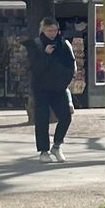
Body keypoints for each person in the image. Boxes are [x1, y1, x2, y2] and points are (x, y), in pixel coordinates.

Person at [28, 16, 77, 162]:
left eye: (55, 30)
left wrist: (65, 81)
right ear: (43, 30)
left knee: (66, 117)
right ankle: (43, 151)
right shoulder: (36, 45)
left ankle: (57, 145)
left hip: (58, 87)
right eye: (49, 30)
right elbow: (34, 69)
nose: (53, 33)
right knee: (42, 119)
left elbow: (71, 64)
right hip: (41, 88)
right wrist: (45, 54)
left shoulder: (63, 43)